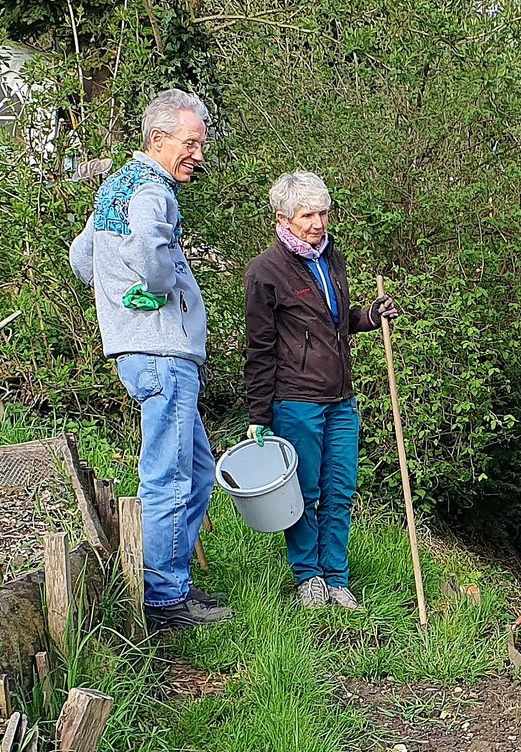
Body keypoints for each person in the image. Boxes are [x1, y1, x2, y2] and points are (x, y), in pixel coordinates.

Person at [69, 89, 230, 631]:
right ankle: (162, 600)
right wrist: (158, 287)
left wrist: (119, 297)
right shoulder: (152, 191)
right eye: (191, 143)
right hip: (163, 351)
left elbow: (82, 258)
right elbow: (149, 251)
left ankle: (173, 581)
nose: (198, 154)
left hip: (142, 350)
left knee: (199, 470)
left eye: (199, 144)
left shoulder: (114, 186)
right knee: (169, 476)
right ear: (157, 139)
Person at [242, 171, 398, 611]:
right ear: (283, 219)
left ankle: (337, 577)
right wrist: (259, 414)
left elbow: (333, 323)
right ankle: (308, 577)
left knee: (340, 488)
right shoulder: (265, 273)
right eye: (306, 215)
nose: (317, 223)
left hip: (341, 398)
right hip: (295, 400)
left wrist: (368, 316)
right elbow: (259, 347)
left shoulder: (331, 259)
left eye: (322, 213)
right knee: (305, 491)